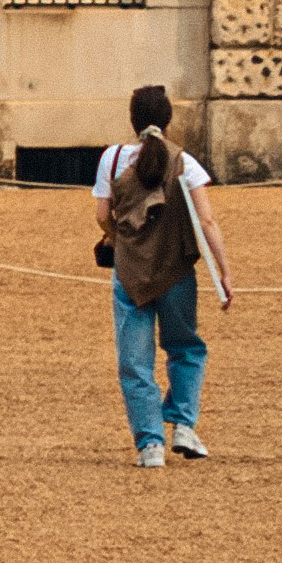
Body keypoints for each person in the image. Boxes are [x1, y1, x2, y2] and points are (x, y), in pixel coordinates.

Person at [90, 81, 234, 467]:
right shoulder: (185, 161)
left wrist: (117, 238)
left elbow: (103, 215)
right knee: (185, 348)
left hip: (131, 272)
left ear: (132, 119)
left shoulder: (114, 159)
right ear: (169, 119)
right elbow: (206, 220)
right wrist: (224, 271)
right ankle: (183, 424)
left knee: (135, 360)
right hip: (175, 272)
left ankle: (150, 443)